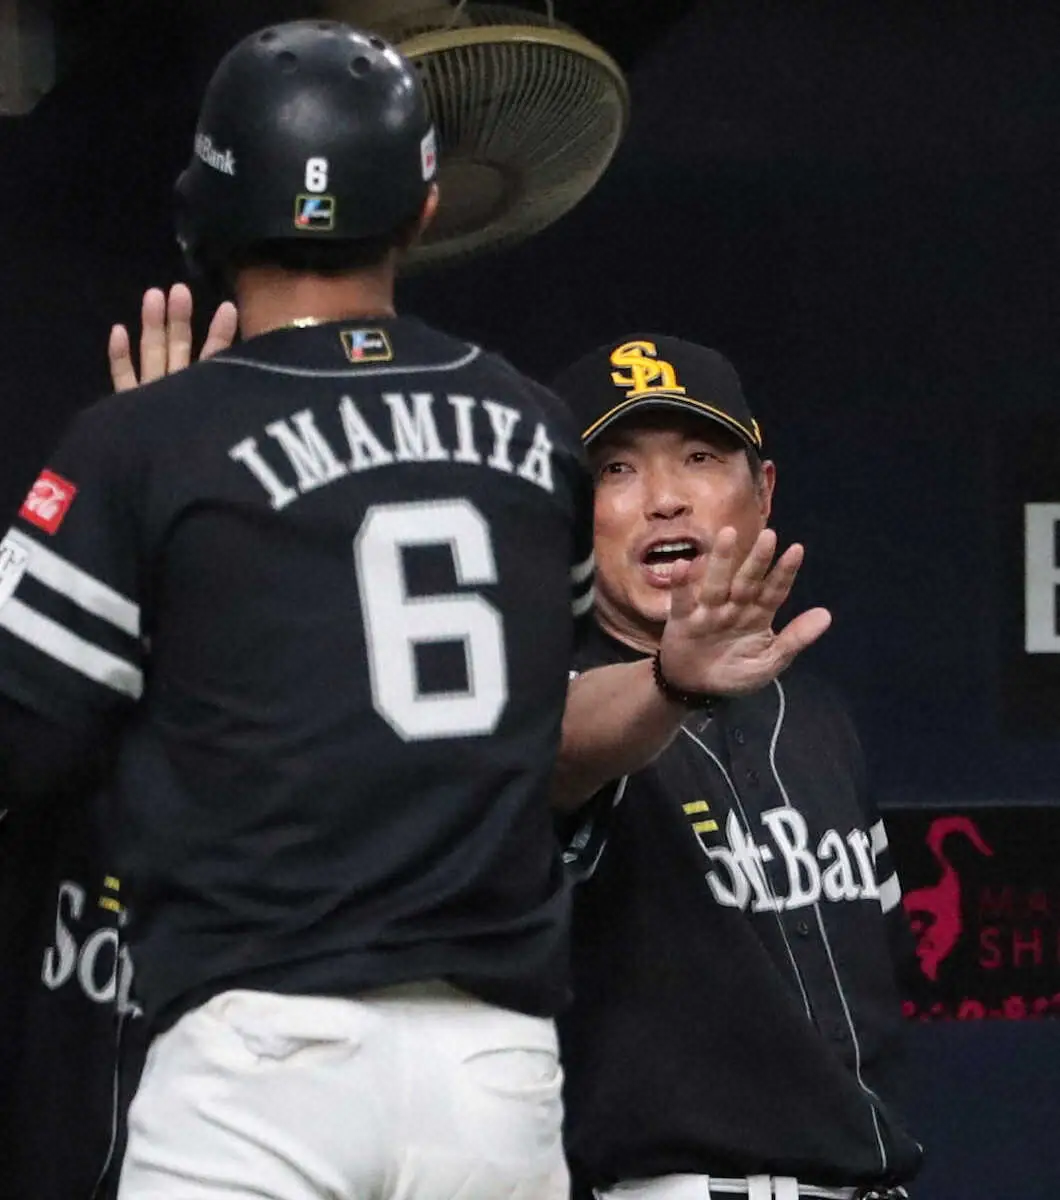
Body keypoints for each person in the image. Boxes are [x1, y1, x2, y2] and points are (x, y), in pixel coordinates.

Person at [0, 21, 829, 1200]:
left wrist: (157, 520)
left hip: (259, 1053)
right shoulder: (531, 430)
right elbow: (537, 718)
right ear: (426, 208)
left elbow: (26, 733)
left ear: (206, 212)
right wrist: (666, 683)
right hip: (490, 1070)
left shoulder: (149, 438)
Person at [549, 335, 924, 1200]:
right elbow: (559, 748)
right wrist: (670, 682)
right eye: (615, 470)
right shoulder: (545, 703)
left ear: (764, 492)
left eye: (701, 457)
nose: (665, 499)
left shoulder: (818, 716)